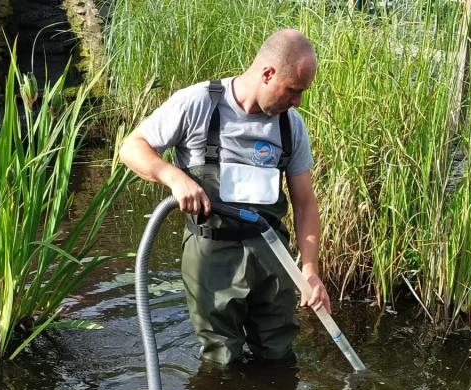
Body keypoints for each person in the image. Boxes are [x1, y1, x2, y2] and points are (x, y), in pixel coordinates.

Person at [119, 28, 331, 366]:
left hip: (271, 254)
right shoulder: (198, 103)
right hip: (211, 253)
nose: (297, 102)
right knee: (222, 360)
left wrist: (309, 269)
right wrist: (174, 177)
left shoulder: (291, 125)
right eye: (293, 90)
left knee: (278, 355)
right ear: (267, 73)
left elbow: (305, 202)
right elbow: (132, 148)